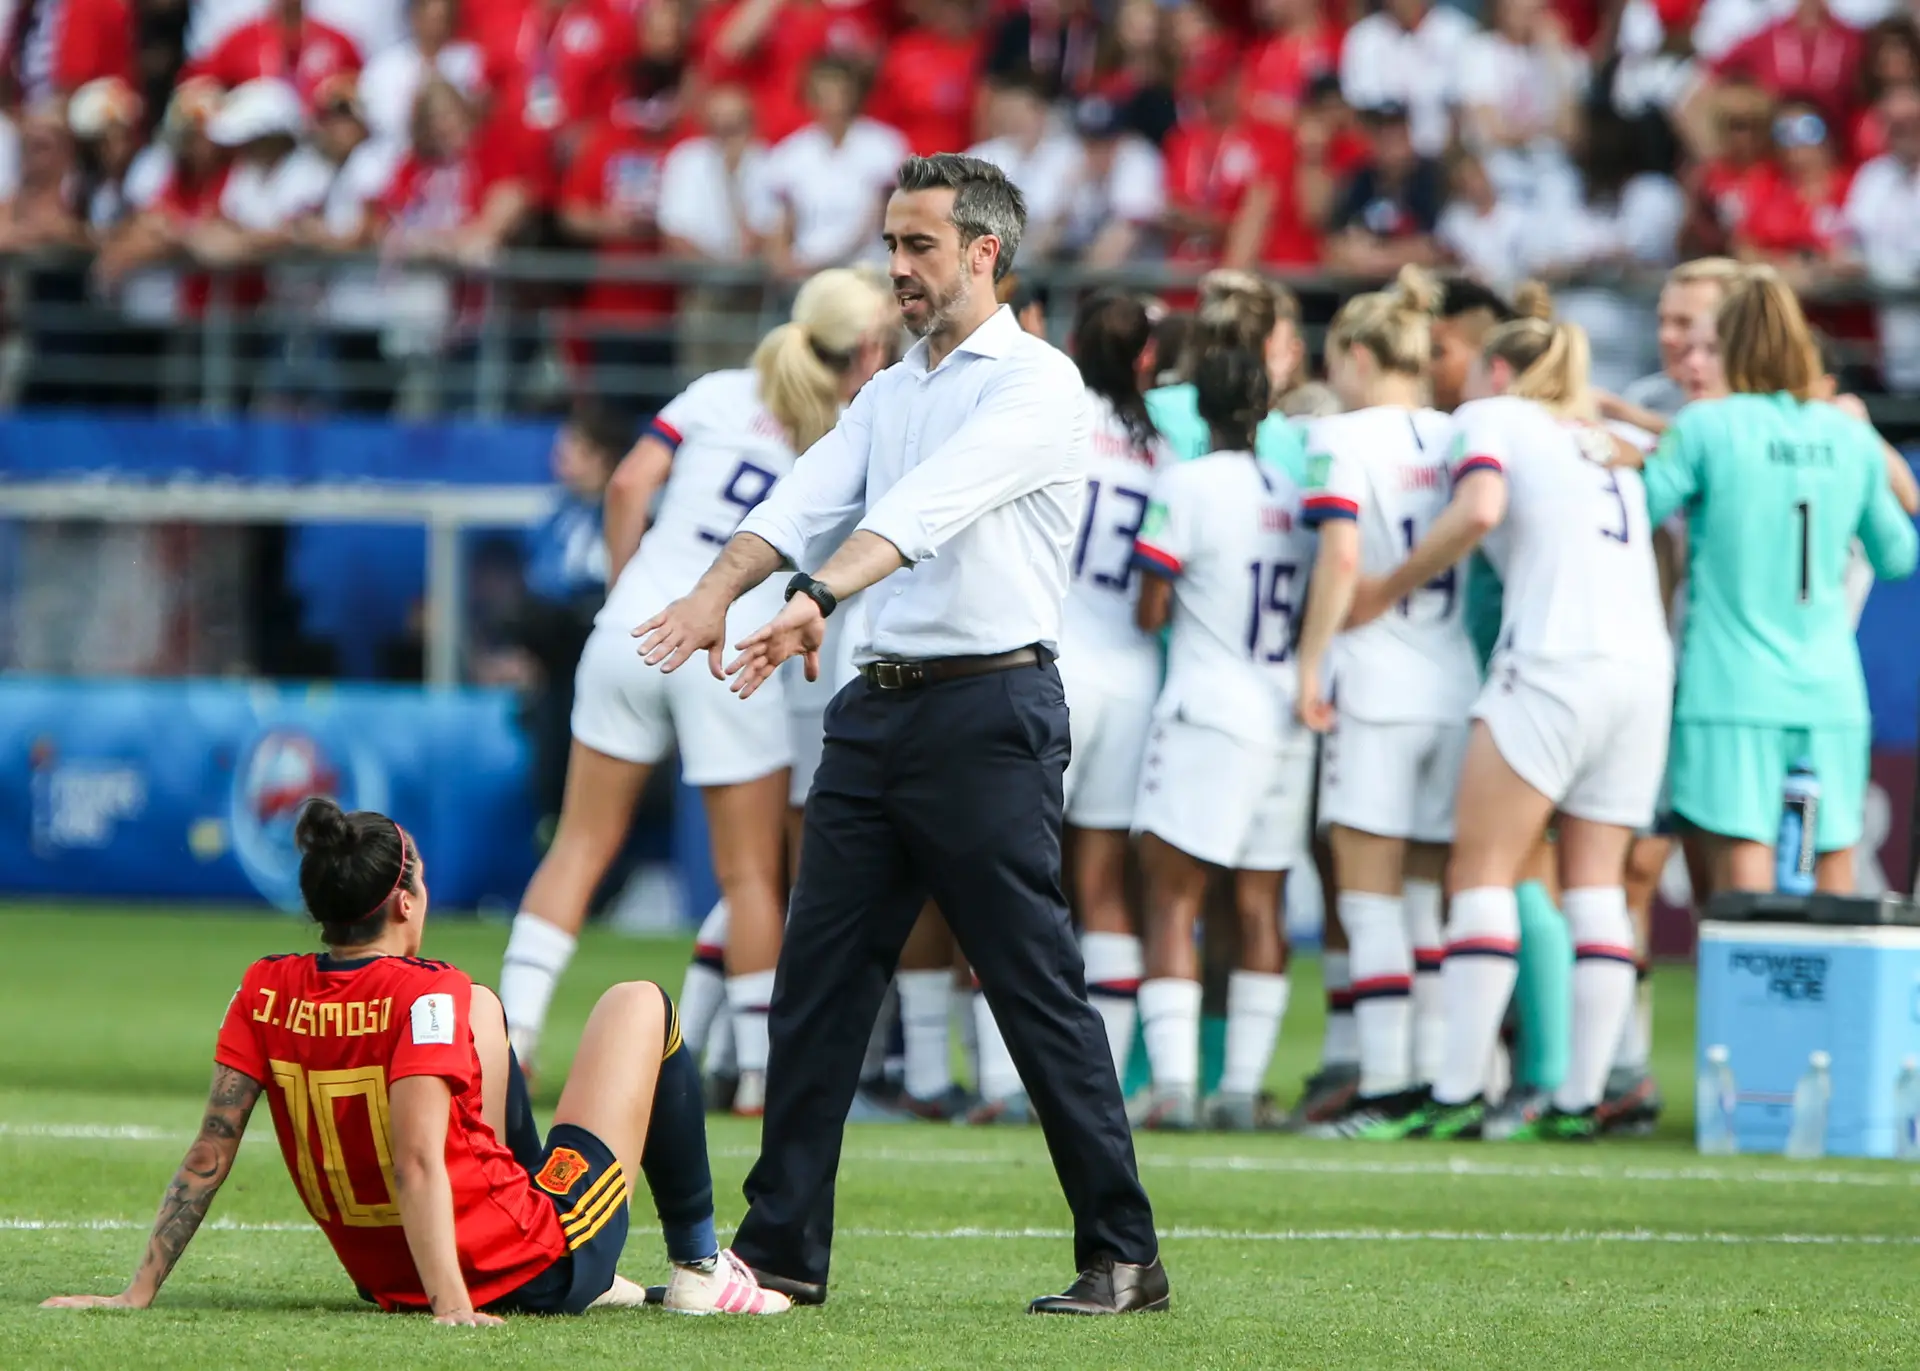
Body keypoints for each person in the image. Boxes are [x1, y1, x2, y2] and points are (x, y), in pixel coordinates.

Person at [634, 152, 1165, 1314]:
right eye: (890, 245)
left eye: (918, 245)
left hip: (989, 710)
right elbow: (805, 495)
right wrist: (716, 591)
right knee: (819, 985)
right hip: (877, 710)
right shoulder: (894, 388)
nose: (897, 269)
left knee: (1034, 990)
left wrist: (814, 599)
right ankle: (780, 1254)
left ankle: (1124, 1254)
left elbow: (919, 515)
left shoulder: (1036, 383)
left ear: (986, 252)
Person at [42, 798, 788, 1320]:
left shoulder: (262, 987)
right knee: (640, 1003)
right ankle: (700, 1268)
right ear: (404, 902)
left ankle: (536, 1223)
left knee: (487, 1010)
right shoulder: (430, 994)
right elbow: (418, 1163)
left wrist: (136, 1291)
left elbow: (212, 1146)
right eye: (420, 879)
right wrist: (454, 1306)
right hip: (526, 1267)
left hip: (387, 1274)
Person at [496, 268, 894, 1118]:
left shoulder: (717, 390)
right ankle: (758, 1072)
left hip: (638, 626)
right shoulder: (855, 429)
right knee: (751, 874)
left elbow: (628, 483)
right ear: (865, 348)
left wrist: (622, 586)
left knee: (577, 846)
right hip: (736, 645)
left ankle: (514, 1041)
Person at [1364, 302, 1674, 1141]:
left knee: (1483, 873)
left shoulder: (1493, 416)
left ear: (1498, 371)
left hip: (1551, 661)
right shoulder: (1611, 444)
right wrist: (1605, 405)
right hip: (1644, 671)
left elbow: (1479, 510)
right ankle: (1577, 1101)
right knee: (1599, 884)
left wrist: (1382, 590)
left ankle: (1459, 1089)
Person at [1635, 268, 1919, 897]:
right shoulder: (1846, 434)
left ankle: (1750, 999)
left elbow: (1633, 516)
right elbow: (1898, 554)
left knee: (1743, 870)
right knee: (1834, 862)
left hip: (1729, 690)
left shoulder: (1707, 426)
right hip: (1828, 692)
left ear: (1729, 344)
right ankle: (1837, 999)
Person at [972, 290, 1170, 1122]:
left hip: (1047, 659)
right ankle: (1104, 1086)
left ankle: (999, 1082)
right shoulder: (1162, 447)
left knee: (1007, 878)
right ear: (1146, 362)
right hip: (1132, 674)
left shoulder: (1048, 405)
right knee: (1103, 880)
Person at [1291, 266, 1471, 1138]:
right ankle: (1440, 1080)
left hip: (1377, 677)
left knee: (1365, 895)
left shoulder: (1341, 435)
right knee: (1426, 900)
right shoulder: (1455, 431)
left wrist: (1311, 659)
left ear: (1357, 355)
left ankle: (1388, 1085)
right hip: (1454, 677)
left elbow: (1340, 557)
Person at [1130, 341, 1315, 1133]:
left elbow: (1150, 605)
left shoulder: (1186, 481)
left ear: (1198, 406)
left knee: (1173, 897)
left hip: (1208, 705)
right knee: (1261, 900)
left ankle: (1174, 1083)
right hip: (1284, 707)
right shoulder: (1296, 486)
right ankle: (1240, 1085)